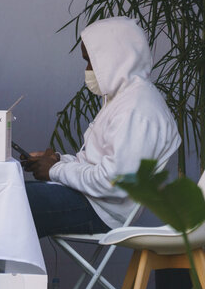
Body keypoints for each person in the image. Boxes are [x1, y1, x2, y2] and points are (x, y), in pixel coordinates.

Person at [22, 16, 180, 237]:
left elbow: (114, 182)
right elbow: (98, 164)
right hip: (91, 199)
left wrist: (55, 170)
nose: (88, 69)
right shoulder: (123, 98)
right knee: (6, 197)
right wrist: (58, 161)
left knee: (7, 204)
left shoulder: (137, 109)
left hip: (102, 211)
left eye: (91, 60)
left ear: (114, 58)